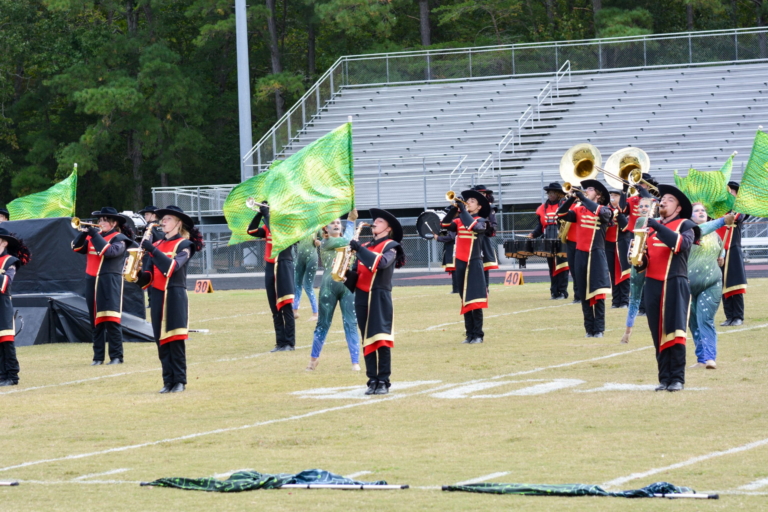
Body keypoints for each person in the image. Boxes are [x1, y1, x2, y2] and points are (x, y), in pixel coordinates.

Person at [632, 185, 699, 392]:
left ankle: (677, 378)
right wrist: (637, 257)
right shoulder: (650, 227)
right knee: (658, 332)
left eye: (669, 200)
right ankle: (664, 378)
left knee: (676, 331)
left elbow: (681, 245)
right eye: (663, 199)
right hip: (652, 284)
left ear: (678, 208)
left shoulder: (686, 224)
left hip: (676, 282)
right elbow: (644, 263)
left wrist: (657, 226)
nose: (663, 202)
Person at [137, 205, 204, 393]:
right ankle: (168, 381)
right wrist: (135, 275)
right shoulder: (157, 245)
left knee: (175, 339)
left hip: (174, 294)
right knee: (161, 341)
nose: (163, 221)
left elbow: (171, 268)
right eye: (162, 219)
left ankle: (180, 381)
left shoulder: (185, 245)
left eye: (167, 218)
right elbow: (149, 277)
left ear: (178, 223)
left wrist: (151, 249)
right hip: (157, 296)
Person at [345, 209, 406, 395]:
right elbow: (357, 276)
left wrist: (359, 249)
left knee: (381, 339)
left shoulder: (392, 246)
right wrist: (343, 273)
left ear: (388, 228)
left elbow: (380, 264)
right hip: (362, 297)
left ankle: (384, 381)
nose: (375, 223)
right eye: (375, 221)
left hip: (380, 296)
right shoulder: (364, 246)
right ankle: (372, 379)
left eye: (379, 221)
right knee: (367, 340)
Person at [72, 207, 136, 366]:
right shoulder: (93, 236)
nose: (101, 222)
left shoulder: (120, 238)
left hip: (109, 282)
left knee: (111, 320)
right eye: (100, 220)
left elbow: (110, 252)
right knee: (95, 322)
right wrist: (84, 233)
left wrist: (93, 235)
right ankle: (98, 357)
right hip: (91, 281)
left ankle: (116, 356)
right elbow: (75, 247)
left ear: (114, 223)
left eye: (105, 220)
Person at [307, 209, 361, 372]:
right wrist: (351, 222)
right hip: (328, 288)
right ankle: (313, 360)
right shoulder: (327, 242)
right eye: (332, 223)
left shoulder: (346, 241)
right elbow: (348, 240)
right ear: (326, 229)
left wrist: (353, 225)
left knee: (351, 323)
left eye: (338, 222)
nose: (337, 224)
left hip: (347, 287)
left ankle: (355, 362)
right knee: (323, 324)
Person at [557, 180, 613, 338]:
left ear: (599, 194)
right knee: (583, 293)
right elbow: (560, 214)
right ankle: (589, 329)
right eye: (585, 189)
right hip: (580, 255)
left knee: (599, 293)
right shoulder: (579, 210)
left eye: (589, 189)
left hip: (597, 255)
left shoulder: (605, 209)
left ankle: (599, 329)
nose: (586, 191)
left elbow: (603, 215)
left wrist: (583, 198)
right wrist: (571, 199)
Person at [248, 202, 297, 352]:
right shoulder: (268, 225)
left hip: (283, 265)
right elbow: (251, 231)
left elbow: (277, 234)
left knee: (286, 306)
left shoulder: (288, 226)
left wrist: (267, 215)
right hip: (270, 266)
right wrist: (259, 214)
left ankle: (290, 343)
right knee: (274, 308)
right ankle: (280, 342)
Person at [689, 204, 733, 370]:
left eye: (704, 210)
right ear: (690, 216)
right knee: (692, 323)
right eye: (697, 210)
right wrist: (722, 221)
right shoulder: (690, 232)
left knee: (705, 319)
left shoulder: (715, 235)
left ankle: (710, 358)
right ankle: (701, 358)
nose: (701, 212)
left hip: (712, 283)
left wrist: (721, 257)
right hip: (688, 285)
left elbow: (720, 251)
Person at [447, 190, 490, 344]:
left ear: (478, 207)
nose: (468, 202)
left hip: (474, 262)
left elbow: (474, 227)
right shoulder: (459, 220)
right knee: (464, 299)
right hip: (460, 262)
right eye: (467, 201)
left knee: (474, 299)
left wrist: (463, 211)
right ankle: (469, 334)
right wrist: (454, 209)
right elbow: (444, 225)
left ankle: (478, 334)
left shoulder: (482, 221)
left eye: (472, 201)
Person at [619, 176, 658, 316]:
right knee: (637, 269)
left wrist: (642, 190)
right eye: (638, 183)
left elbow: (654, 204)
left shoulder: (653, 198)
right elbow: (622, 209)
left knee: (649, 270)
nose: (639, 185)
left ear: (647, 185)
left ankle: (647, 305)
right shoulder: (633, 199)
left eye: (642, 183)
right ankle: (640, 306)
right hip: (634, 235)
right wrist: (624, 191)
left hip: (650, 235)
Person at [620, 196, 656, 344]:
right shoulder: (640, 221)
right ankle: (628, 332)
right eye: (641, 207)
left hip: (647, 265)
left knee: (645, 299)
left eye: (646, 207)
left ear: (653, 209)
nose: (643, 209)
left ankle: (629, 332)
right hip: (643, 264)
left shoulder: (657, 222)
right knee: (635, 298)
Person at [0, 228, 31, 387]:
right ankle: (1, 375)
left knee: (6, 341)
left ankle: (12, 376)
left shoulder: (10, 261)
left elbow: (5, 283)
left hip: (3, 303)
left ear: (4, 243)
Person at [529, 182, 569, 300]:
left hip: (562, 240)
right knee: (552, 267)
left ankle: (562, 292)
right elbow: (540, 226)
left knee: (562, 267)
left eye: (553, 193)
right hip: (548, 241)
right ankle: (554, 292)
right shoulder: (542, 208)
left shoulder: (565, 205)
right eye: (549, 193)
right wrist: (533, 234)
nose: (550, 195)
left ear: (559, 194)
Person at [716, 181, 748, 326]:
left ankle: (738, 316)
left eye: (731, 193)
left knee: (735, 285)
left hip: (733, 250)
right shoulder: (717, 211)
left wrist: (734, 207)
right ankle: (729, 316)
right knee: (722, 285)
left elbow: (740, 217)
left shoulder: (738, 210)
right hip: (719, 250)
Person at [606, 190, 630, 308]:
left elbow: (626, 228)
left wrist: (619, 212)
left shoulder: (625, 210)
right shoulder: (605, 209)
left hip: (621, 245)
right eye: (612, 195)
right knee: (613, 273)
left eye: (615, 195)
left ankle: (624, 301)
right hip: (609, 245)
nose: (613, 197)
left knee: (624, 272)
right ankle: (615, 301)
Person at [472, 185, 499, 288]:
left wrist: (484, 228)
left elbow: (494, 225)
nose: (482, 195)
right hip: (469, 239)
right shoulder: (468, 207)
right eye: (480, 194)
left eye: (484, 194)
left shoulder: (490, 207)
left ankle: (485, 288)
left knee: (484, 266)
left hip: (482, 238)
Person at [293, 233, 319, 321]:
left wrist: (319, 242)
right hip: (300, 259)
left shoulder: (316, 226)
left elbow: (324, 239)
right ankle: (294, 311)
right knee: (297, 285)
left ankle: (315, 313)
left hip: (312, 259)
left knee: (308, 287)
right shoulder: (299, 227)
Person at [439, 205, 460, 294]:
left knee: (454, 269)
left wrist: (438, 238)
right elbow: (445, 234)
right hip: (450, 247)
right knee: (454, 269)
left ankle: (456, 289)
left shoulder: (455, 221)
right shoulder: (450, 221)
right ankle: (456, 288)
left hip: (453, 247)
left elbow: (451, 237)